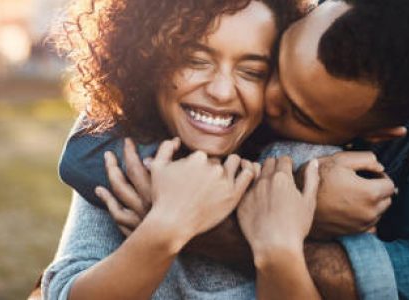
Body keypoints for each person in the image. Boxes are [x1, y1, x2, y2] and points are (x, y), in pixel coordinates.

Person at [58, 0, 409, 299]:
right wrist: (171, 221)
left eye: (254, 71)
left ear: (368, 134)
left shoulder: (327, 171)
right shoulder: (140, 141)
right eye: (276, 65)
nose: (264, 102)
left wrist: (279, 236)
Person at [43, 0, 334, 298]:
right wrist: (167, 226)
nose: (221, 91)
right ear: (147, 58)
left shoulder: (306, 163)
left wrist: (278, 253)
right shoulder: (121, 148)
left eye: (252, 72)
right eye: (196, 61)